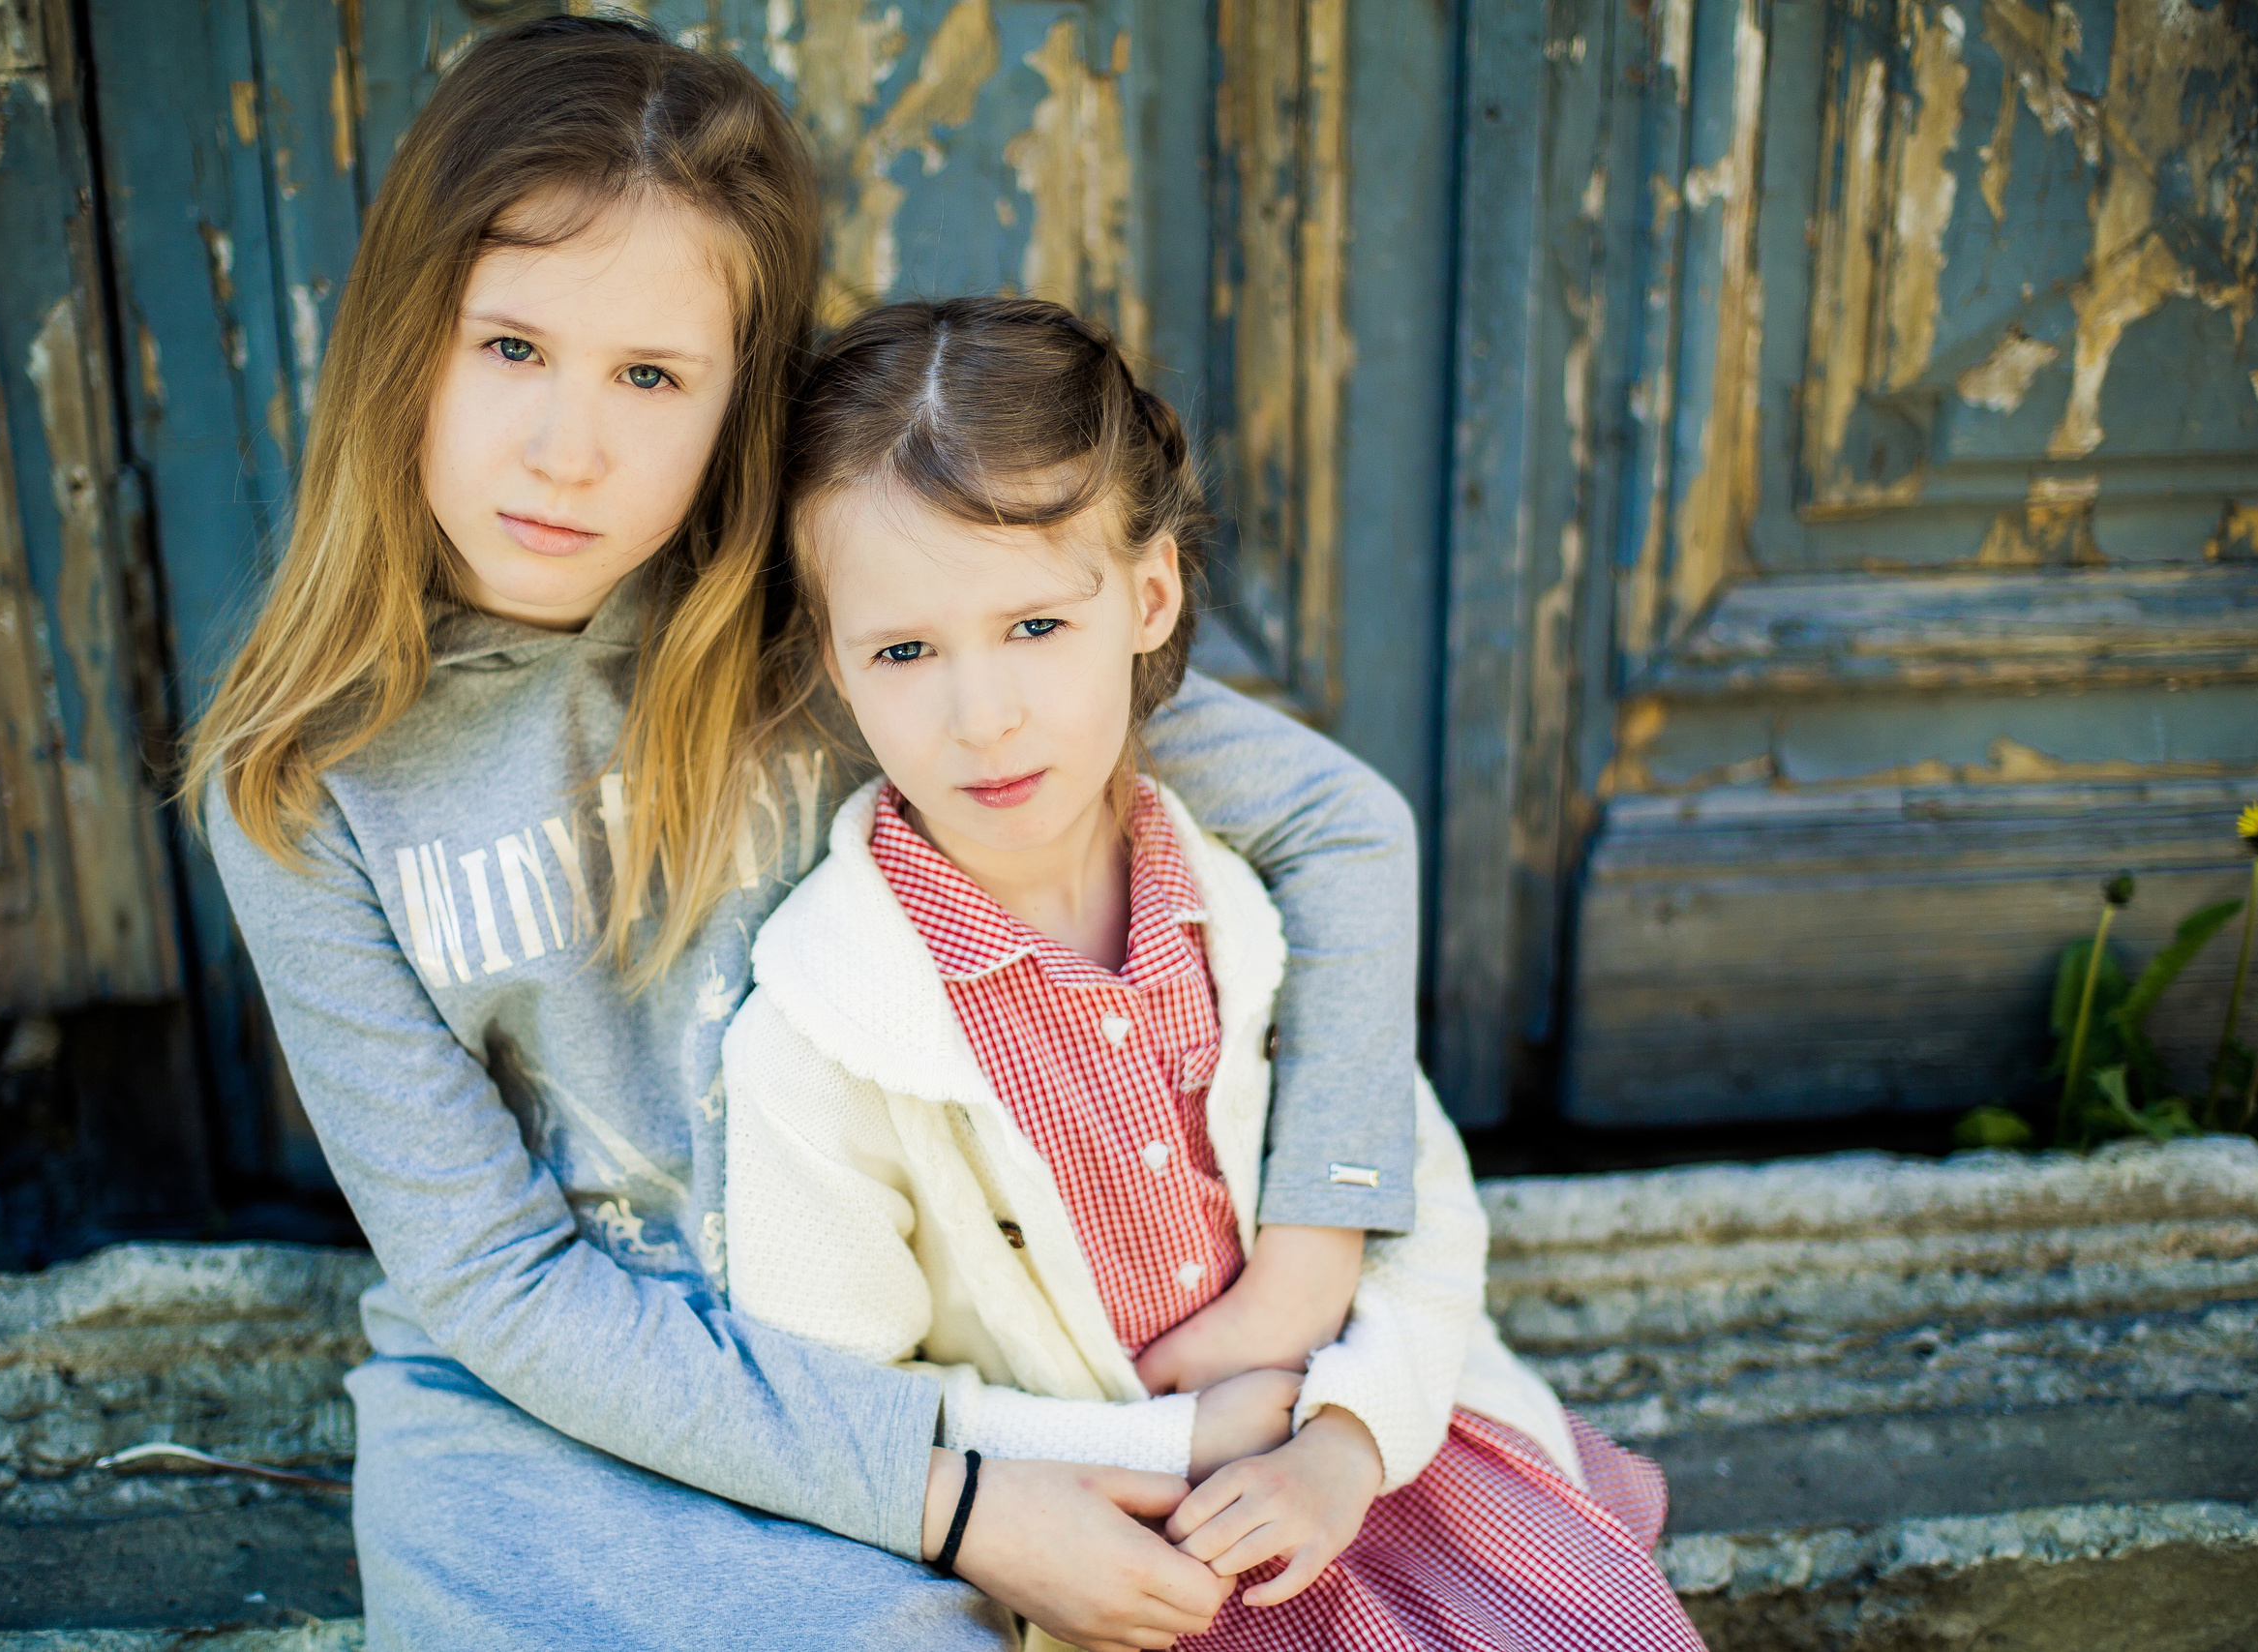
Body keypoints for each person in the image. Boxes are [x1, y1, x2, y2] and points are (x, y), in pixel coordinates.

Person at [186, 17, 1424, 1651]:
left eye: (651, 377)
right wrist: (951, 1502)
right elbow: (496, 1282)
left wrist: (1312, 1254)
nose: (569, 448)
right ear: (408, 333)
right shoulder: (298, 785)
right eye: (510, 349)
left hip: (946, 1338)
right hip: (562, 1414)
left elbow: (1339, 820)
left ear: (735, 400)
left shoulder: (856, 615)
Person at [721, 296, 1710, 1652]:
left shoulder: (1241, 917)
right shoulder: (829, 1031)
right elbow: (836, 1408)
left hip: (1367, 1481)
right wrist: (1183, 1435)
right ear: (832, 663)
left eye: (1035, 627)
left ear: (1149, 595)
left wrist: (1346, 1444)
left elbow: (1419, 1216)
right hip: (1112, 1562)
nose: (982, 712)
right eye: (904, 651)